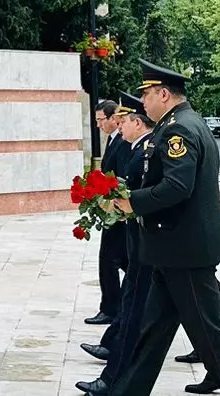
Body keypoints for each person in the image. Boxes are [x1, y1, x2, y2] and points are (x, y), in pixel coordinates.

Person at [108, 60, 220, 396]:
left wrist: (132, 202)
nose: (142, 103)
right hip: (173, 248)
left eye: (146, 94)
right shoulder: (182, 123)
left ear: (163, 93)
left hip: (184, 251)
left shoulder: (179, 130)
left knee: (212, 334)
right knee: (153, 332)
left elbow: (177, 187)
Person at [77, 93, 155, 395]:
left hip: (156, 245)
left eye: (124, 122)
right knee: (139, 312)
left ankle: (113, 377)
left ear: (136, 121)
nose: (119, 127)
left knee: (139, 309)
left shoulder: (149, 148)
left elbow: (156, 191)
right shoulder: (139, 146)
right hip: (149, 245)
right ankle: (114, 371)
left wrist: (124, 206)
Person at [88, 99, 127, 325]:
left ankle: (111, 308)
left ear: (114, 118)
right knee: (121, 260)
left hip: (119, 213)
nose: (99, 125)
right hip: (114, 211)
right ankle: (114, 306)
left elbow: (120, 177)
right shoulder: (113, 140)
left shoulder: (122, 141)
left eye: (101, 120)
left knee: (108, 259)